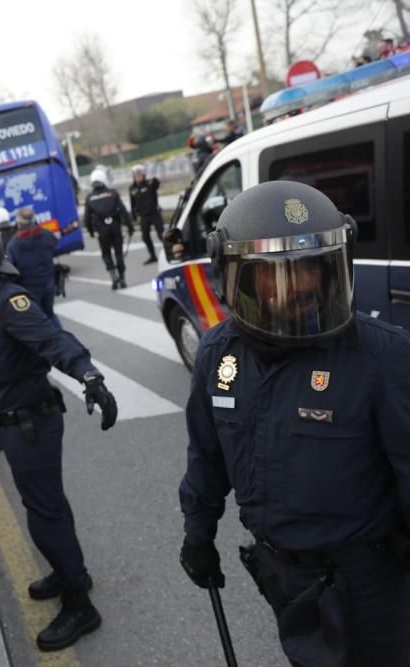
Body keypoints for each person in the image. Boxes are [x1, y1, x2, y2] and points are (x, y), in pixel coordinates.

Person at [178, 181, 410, 665]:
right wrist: (198, 532)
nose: (302, 285)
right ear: (236, 277)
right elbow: (207, 455)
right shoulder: (219, 356)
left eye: (312, 268)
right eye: (279, 276)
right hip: (282, 576)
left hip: (366, 581)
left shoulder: (379, 356)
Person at [0, 218, 118, 652]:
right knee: (49, 507)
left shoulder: (8, 300)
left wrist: (89, 376)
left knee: (44, 516)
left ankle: (80, 605)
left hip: (31, 424)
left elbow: (53, 340)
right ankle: (70, 573)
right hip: (15, 422)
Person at [6, 207, 60, 323]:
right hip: (48, 282)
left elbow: (11, 268)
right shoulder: (45, 234)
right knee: (50, 314)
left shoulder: (13, 244)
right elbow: (55, 248)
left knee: (38, 320)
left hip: (29, 288)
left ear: (19, 223)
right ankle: (61, 338)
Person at [83, 167, 133, 290]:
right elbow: (123, 210)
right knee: (119, 253)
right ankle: (122, 278)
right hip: (115, 228)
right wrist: (130, 226)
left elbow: (86, 218)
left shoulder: (90, 198)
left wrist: (90, 232)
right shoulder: (113, 193)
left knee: (106, 254)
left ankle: (113, 277)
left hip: (102, 231)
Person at [128, 164, 164, 265]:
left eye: (140, 175)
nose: (138, 177)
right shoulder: (132, 188)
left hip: (154, 213)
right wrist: (133, 216)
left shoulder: (150, 183)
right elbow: (132, 202)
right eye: (136, 175)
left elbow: (157, 183)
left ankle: (169, 252)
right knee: (145, 237)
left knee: (161, 234)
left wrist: (154, 177)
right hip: (144, 216)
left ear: (143, 175)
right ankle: (152, 256)